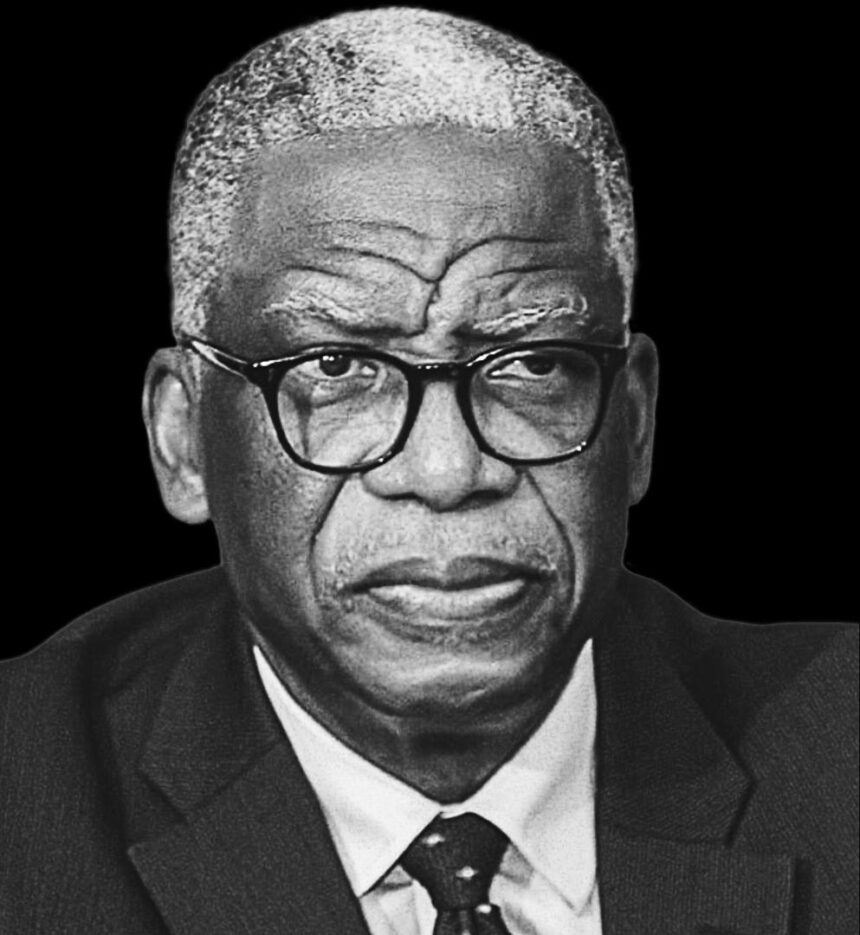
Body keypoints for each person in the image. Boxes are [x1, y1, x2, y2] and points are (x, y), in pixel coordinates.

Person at [1, 8, 856, 934]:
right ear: (183, 438)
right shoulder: (26, 799)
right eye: (336, 367)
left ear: (636, 421)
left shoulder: (837, 749)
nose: (448, 470)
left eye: (533, 364)